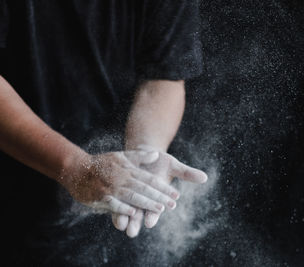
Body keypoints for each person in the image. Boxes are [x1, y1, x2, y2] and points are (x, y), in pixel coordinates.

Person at [0, 0, 206, 265]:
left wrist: (145, 154)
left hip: (113, 198)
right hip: (12, 195)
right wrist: (76, 167)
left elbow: (164, 76)